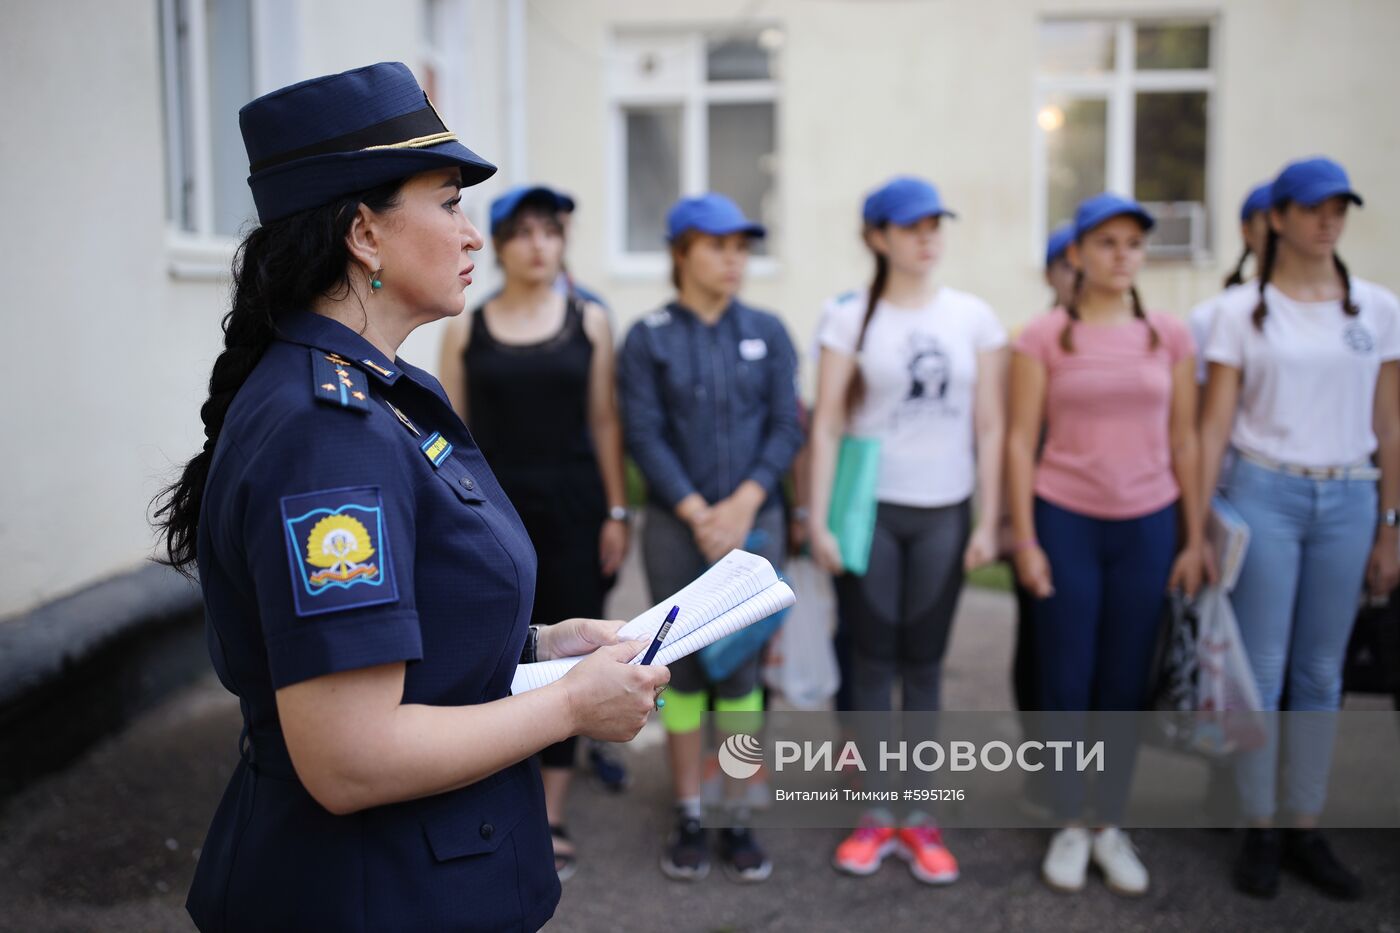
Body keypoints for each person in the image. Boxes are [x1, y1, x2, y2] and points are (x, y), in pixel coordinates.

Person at [153, 63, 668, 932]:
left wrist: (541, 641)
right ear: (364, 232)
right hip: (371, 895)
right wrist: (571, 705)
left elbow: (409, 636)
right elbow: (351, 757)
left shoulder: (370, 392)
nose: (473, 235)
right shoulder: (330, 431)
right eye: (448, 202)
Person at [1199, 157, 1400, 900]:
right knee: (1263, 667)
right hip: (1264, 493)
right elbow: (1213, 425)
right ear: (1277, 217)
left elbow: (1388, 422)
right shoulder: (1238, 312)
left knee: (1322, 672)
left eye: (1340, 207)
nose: (1329, 219)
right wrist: (1197, 528)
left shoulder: (1375, 309)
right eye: (1315, 207)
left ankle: (1304, 824)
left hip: (1348, 496)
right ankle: (1259, 826)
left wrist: (1391, 526)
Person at [807, 176, 1008, 885]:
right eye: (912, 224)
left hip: (944, 511)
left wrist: (992, 517)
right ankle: (873, 815)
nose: (928, 235)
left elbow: (990, 425)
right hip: (871, 512)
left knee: (923, 666)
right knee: (870, 663)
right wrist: (821, 518)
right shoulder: (848, 317)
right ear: (878, 236)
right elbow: (827, 423)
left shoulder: (973, 317)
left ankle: (916, 816)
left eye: (935, 223)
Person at [1006, 193, 1206, 897]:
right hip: (1066, 521)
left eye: (1134, 243)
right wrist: (1024, 537)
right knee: (1067, 679)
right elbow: (1018, 441)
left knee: (1124, 682)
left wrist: (1194, 535)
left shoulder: (1169, 335)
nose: (1123, 255)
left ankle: (1107, 823)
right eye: (1108, 242)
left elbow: (1185, 438)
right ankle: (1067, 818)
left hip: (1148, 524)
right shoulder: (1042, 335)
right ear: (1079, 255)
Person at [438, 183, 631, 881]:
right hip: (494, 512)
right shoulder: (467, 326)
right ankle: (490, 778)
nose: (539, 245)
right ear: (500, 245)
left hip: (577, 508)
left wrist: (617, 510)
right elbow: (445, 435)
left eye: (551, 231)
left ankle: (550, 808)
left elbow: (605, 421)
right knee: (498, 644)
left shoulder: (591, 321)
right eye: (522, 232)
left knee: (575, 648)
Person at [618, 192, 803, 884]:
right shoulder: (649, 337)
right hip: (676, 530)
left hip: (756, 528)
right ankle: (691, 810)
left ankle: (737, 811)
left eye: (742, 246)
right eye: (718, 244)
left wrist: (746, 502)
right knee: (684, 672)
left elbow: (787, 425)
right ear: (680, 252)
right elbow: (643, 433)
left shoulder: (768, 329)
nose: (734, 258)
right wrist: (700, 512)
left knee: (744, 676)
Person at [1189, 182, 1274, 384]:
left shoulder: (1351, 301)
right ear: (1247, 231)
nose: (1279, 230)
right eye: (1269, 220)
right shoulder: (1210, 316)